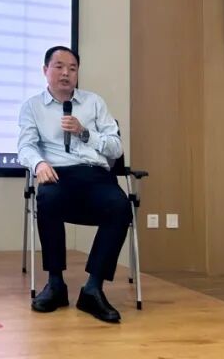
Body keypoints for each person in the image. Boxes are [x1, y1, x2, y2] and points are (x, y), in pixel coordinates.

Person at [17, 45, 131, 324]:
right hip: (58, 174)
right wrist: (39, 164)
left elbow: (115, 148)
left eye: (72, 68)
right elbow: (26, 146)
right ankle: (55, 284)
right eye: (59, 67)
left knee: (120, 206)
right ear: (45, 70)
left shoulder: (94, 103)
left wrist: (85, 132)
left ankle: (93, 288)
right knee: (48, 198)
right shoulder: (32, 106)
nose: (66, 73)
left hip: (94, 174)